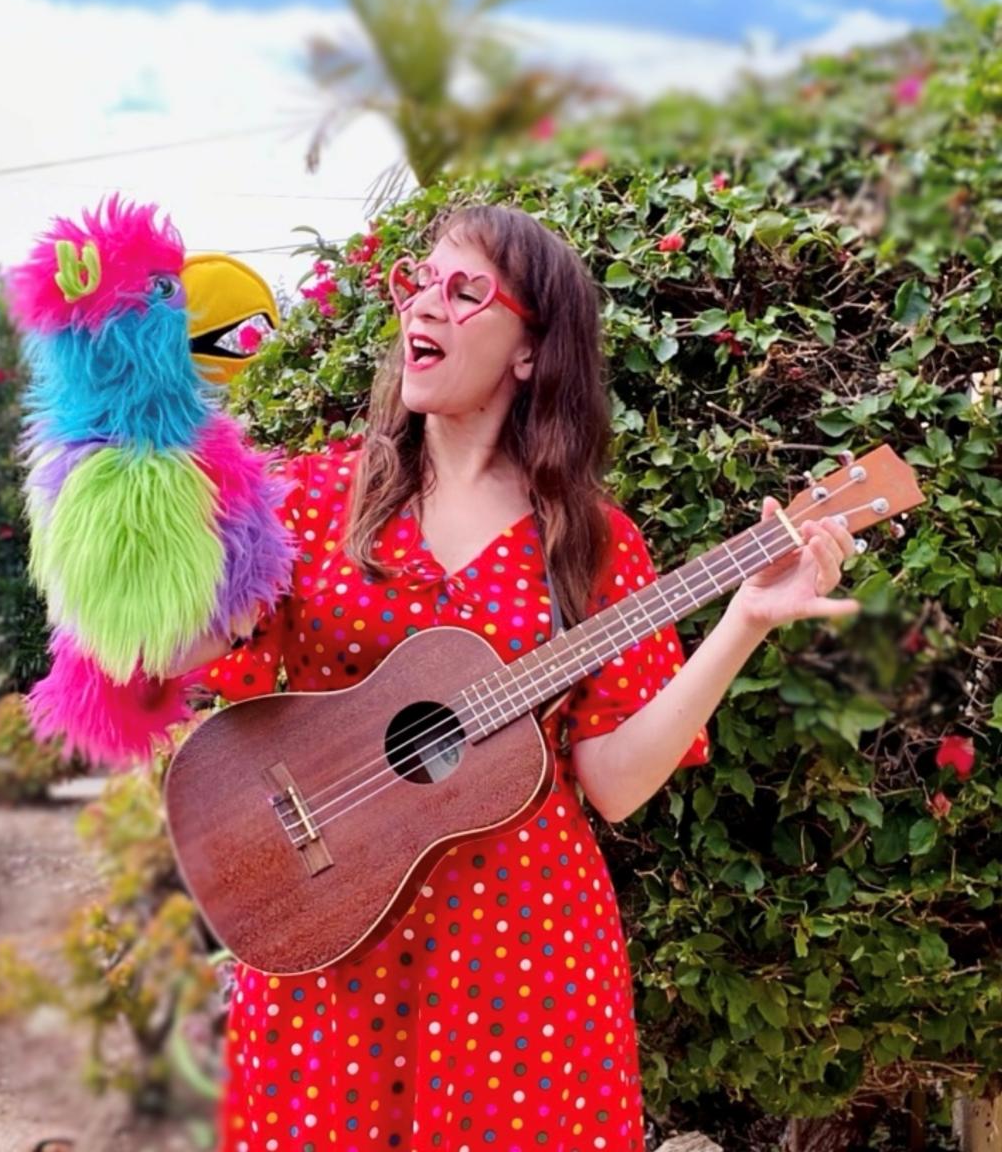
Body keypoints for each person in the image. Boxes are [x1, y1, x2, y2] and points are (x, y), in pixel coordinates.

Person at [172, 204, 859, 1152]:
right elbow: (175, 659)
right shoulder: (317, 495)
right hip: (327, 941)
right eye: (423, 282)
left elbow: (614, 784)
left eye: (467, 292)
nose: (428, 304)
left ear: (531, 352)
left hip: (518, 957)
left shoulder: (590, 545)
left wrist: (743, 621)